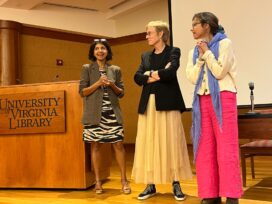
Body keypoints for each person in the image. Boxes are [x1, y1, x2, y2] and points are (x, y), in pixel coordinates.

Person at [186, 12, 243, 204]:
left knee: (226, 149)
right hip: (201, 99)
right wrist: (202, 57)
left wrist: (207, 53)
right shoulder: (193, 51)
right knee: (204, 149)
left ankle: (232, 195)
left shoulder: (225, 43)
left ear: (206, 26)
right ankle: (210, 194)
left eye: (195, 25)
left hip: (223, 97)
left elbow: (219, 72)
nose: (191, 28)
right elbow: (193, 78)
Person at [131, 20, 192, 201]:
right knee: (149, 142)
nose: (147, 36)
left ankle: (175, 183)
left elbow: (171, 72)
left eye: (150, 33)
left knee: (171, 142)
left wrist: (149, 74)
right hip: (148, 104)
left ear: (160, 34)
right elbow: (137, 77)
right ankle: (150, 184)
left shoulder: (174, 51)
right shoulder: (145, 56)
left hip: (168, 103)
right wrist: (154, 74)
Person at [79, 39, 131, 194]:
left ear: (107, 51)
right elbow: (82, 92)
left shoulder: (115, 69)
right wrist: (97, 83)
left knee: (118, 145)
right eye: (97, 49)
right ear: (93, 52)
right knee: (95, 146)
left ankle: (124, 181)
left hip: (112, 114)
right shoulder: (87, 68)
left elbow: (121, 93)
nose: (100, 51)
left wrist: (111, 85)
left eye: (103, 48)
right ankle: (97, 182)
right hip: (94, 114)